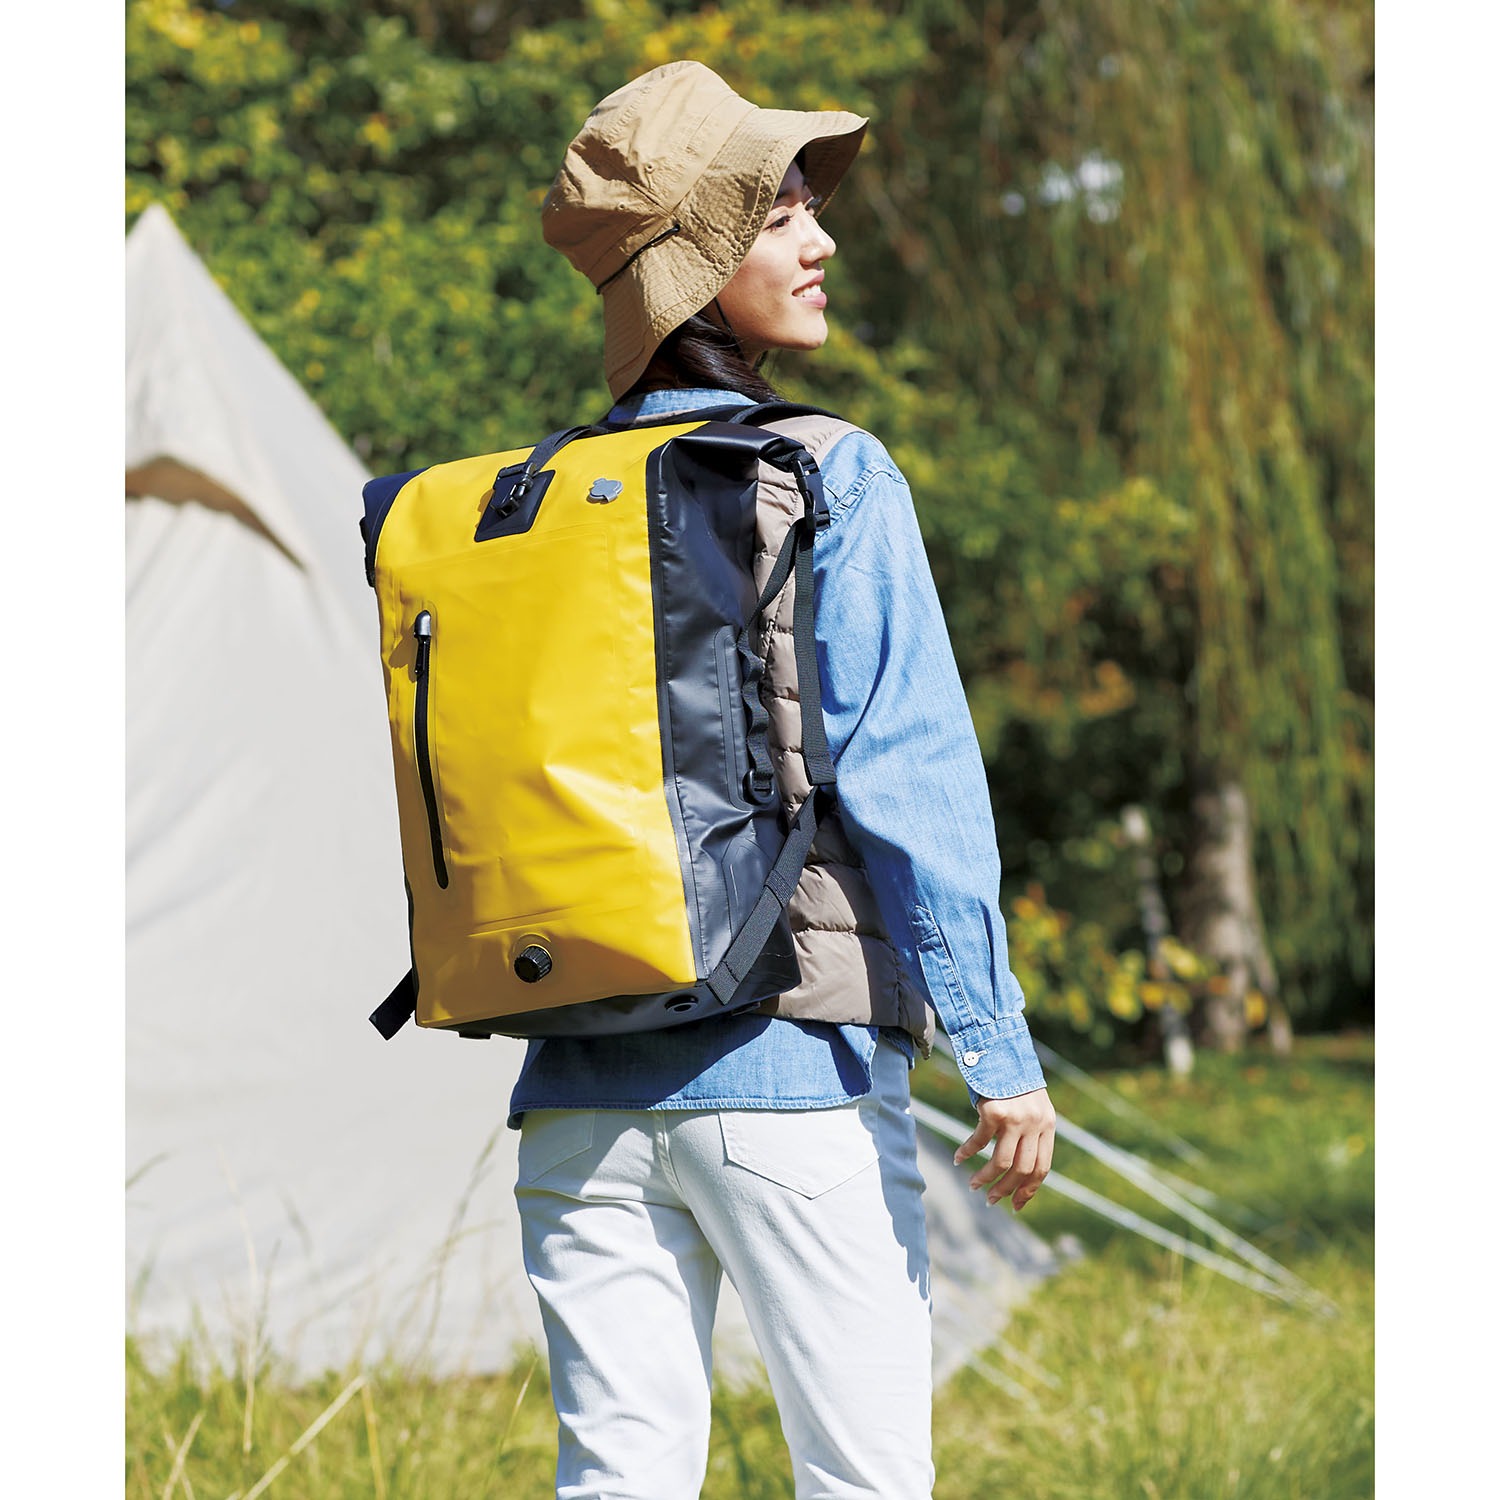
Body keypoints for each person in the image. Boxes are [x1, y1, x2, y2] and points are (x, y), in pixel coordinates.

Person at [509, 60, 1056, 1500]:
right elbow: (910, 774)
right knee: (863, 1479)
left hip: (574, 1096)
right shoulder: (828, 473)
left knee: (616, 1484)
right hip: (792, 1078)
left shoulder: (537, 499)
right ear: (696, 265)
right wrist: (997, 1053)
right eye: (779, 214)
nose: (820, 242)